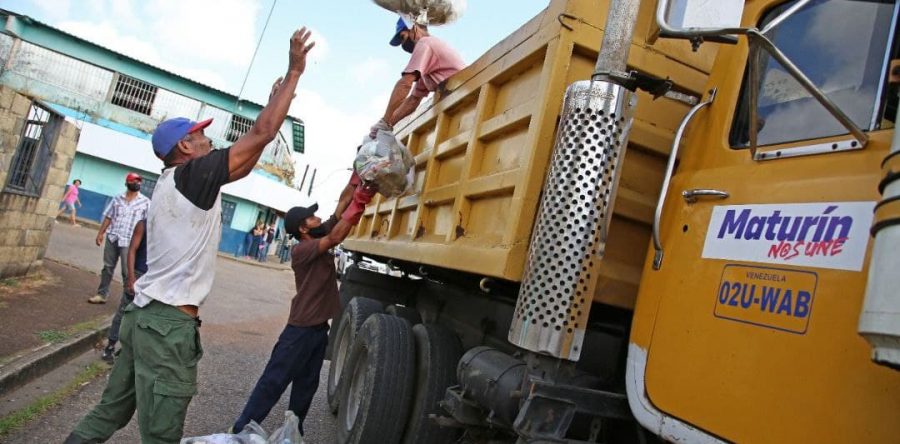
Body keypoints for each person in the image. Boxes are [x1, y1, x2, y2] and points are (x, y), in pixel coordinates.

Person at [64, 27, 315, 444]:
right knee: (161, 436)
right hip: (165, 329)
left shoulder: (170, 183)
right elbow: (261, 137)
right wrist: (293, 74)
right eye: (200, 136)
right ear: (184, 146)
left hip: (140, 319)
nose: (208, 139)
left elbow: (247, 160)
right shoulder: (192, 176)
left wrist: (275, 102)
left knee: (108, 412)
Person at [232, 175, 375, 436]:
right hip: (300, 331)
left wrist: (358, 181)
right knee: (273, 382)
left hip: (318, 330)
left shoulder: (316, 234)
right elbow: (336, 237)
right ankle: (240, 431)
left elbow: (342, 204)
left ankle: (294, 433)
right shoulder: (303, 250)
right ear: (303, 229)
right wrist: (361, 204)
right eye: (311, 217)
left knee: (307, 386)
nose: (317, 218)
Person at [369, 16, 465, 137]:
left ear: (413, 28)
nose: (403, 45)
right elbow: (412, 101)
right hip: (458, 102)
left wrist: (385, 121)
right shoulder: (429, 67)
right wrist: (388, 125)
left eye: (403, 37)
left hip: (463, 97)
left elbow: (405, 84)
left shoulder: (425, 43)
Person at [88, 173, 150, 304]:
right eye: (134, 181)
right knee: (107, 267)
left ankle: (127, 299)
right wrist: (100, 233)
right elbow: (109, 216)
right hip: (113, 237)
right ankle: (102, 294)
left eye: (139, 182)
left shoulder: (145, 202)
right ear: (127, 183)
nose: (137, 184)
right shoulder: (117, 199)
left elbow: (148, 224)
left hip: (129, 241)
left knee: (127, 272)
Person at [100, 217, 147, 364]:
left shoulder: (169, 230)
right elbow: (132, 250)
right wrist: (131, 278)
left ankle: (128, 351)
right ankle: (110, 346)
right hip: (139, 275)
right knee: (123, 312)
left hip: (153, 280)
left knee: (143, 317)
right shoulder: (144, 224)